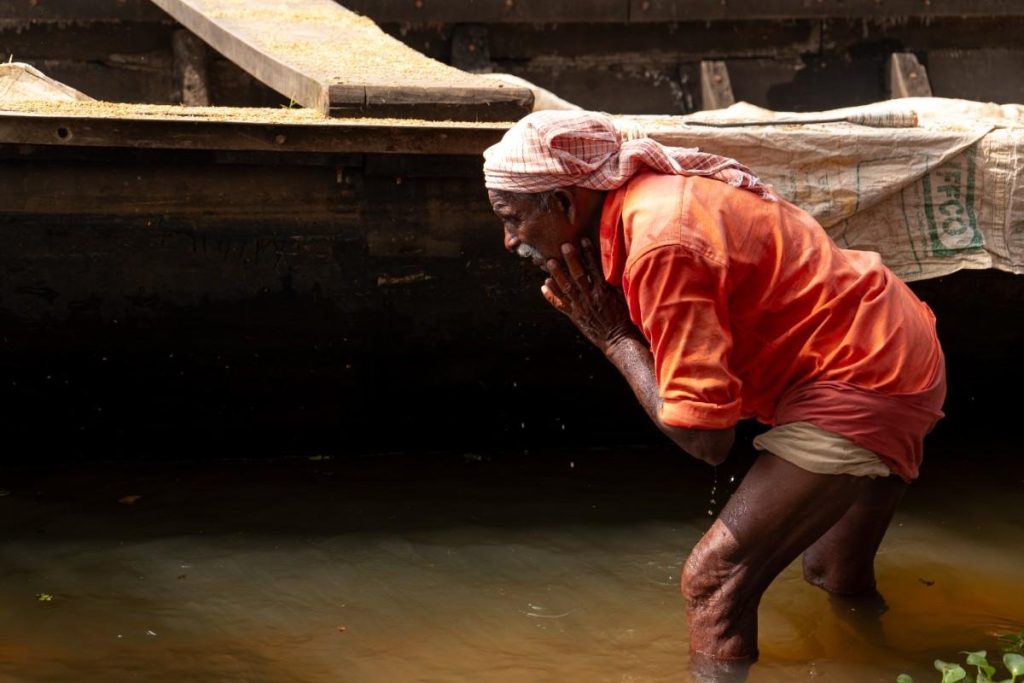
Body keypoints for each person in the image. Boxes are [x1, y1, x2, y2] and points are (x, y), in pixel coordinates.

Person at [482, 110, 946, 677]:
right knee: (832, 575)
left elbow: (706, 441)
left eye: (512, 219)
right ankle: (884, 665)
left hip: (865, 372)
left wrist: (615, 339)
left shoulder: (659, 242)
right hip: (894, 335)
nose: (509, 241)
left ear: (566, 203)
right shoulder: (646, 202)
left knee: (713, 582)